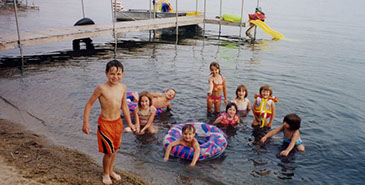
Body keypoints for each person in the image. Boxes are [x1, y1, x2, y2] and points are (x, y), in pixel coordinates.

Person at [82, 60, 135, 185]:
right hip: (105, 124)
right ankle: (105, 173)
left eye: (118, 74)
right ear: (106, 73)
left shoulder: (123, 87)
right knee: (109, 152)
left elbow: (124, 106)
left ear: (123, 74)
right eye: (112, 74)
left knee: (115, 149)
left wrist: (130, 123)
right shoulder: (101, 88)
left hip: (118, 123)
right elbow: (89, 104)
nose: (115, 77)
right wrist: (85, 122)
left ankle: (110, 171)